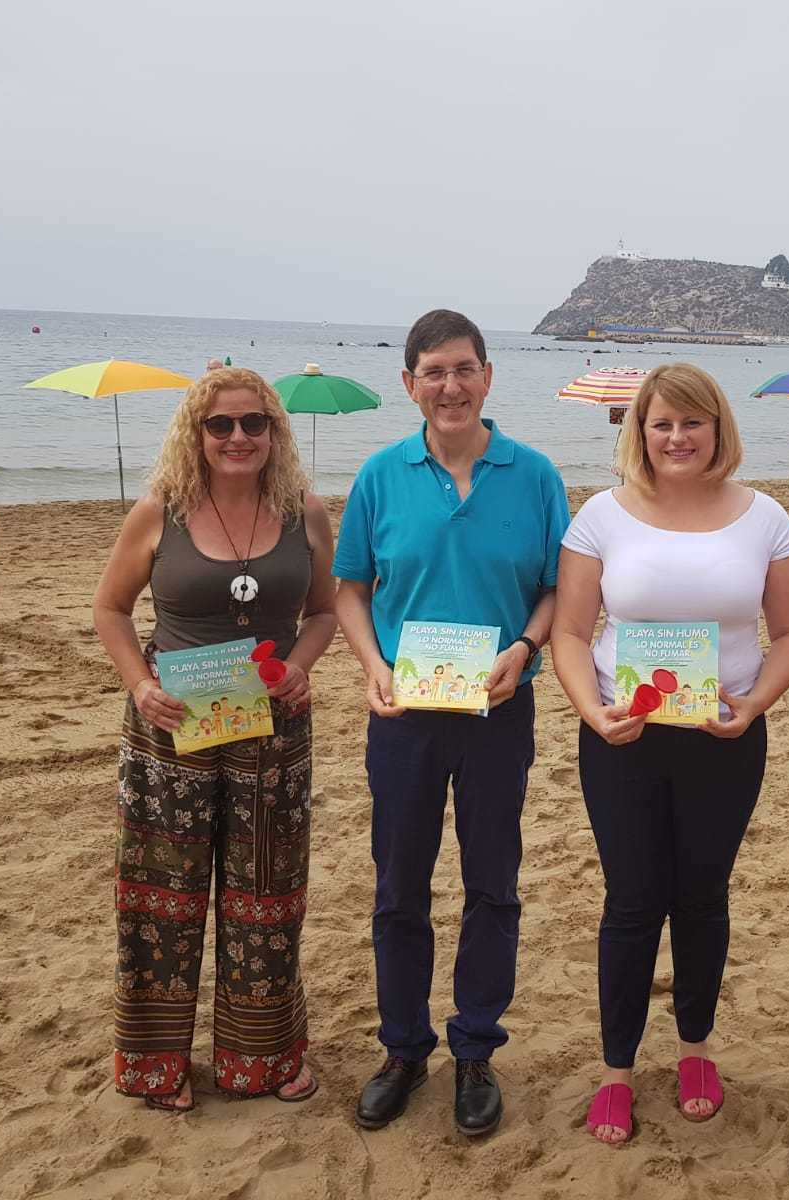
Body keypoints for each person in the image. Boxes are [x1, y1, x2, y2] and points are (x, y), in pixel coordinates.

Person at [551, 363, 789, 1146]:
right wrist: (592, 711)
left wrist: (755, 704)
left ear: (717, 427)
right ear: (640, 431)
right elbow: (571, 633)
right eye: (661, 423)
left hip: (723, 737)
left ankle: (696, 1050)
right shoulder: (602, 516)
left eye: (692, 422)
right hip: (622, 739)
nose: (676, 437)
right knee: (631, 902)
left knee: (702, 897)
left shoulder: (765, 518)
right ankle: (617, 1070)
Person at [334, 309, 569, 1137]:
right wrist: (373, 665)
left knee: (492, 884)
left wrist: (527, 645)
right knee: (399, 885)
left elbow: (558, 587)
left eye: (464, 368)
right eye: (433, 372)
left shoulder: (535, 475)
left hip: (500, 711)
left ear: (487, 377)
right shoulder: (380, 475)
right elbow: (350, 589)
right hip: (405, 716)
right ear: (410, 385)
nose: (450, 385)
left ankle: (475, 1048)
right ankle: (403, 1049)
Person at [92, 366, 338, 1112]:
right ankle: (154, 1065)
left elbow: (325, 611)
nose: (238, 437)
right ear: (195, 433)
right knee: (160, 895)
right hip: (170, 731)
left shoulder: (304, 511)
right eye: (220, 424)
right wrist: (141, 684)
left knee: (267, 895)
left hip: (273, 732)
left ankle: (260, 1059)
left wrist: (300, 666)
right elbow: (110, 609)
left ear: (274, 431)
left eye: (254, 422)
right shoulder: (159, 511)